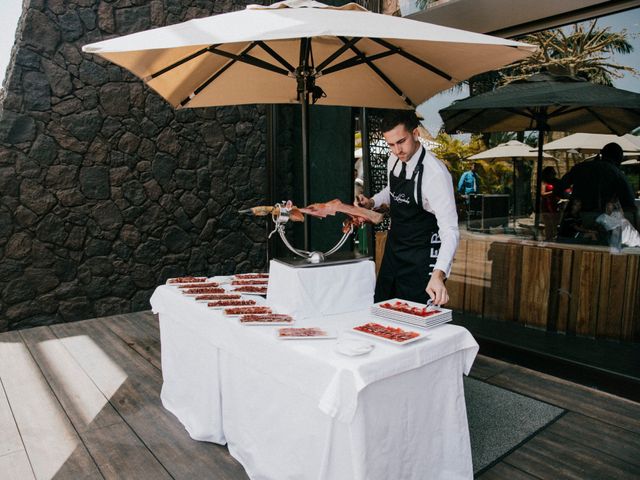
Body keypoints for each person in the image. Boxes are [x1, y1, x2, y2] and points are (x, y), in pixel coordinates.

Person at [356, 110, 459, 306]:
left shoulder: (435, 174)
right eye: (391, 145)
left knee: (416, 319)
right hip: (395, 251)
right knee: (382, 307)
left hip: (422, 258)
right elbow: (391, 191)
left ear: (416, 134)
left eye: (401, 142)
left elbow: (450, 230)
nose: (397, 150)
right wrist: (372, 202)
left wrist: (439, 274)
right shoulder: (393, 160)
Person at [556, 142, 637, 232]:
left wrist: (574, 198)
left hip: (574, 222)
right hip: (601, 225)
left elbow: (558, 189)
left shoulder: (580, 167)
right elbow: (630, 206)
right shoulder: (618, 174)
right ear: (619, 158)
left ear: (602, 153)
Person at [540, 166, 561, 241]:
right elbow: (542, 194)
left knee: (555, 225)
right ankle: (548, 239)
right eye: (552, 173)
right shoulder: (544, 182)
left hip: (556, 205)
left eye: (554, 173)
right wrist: (553, 192)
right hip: (546, 205)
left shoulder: (557, 181)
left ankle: (553, 239)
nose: (553, 174)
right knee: (548, 225)